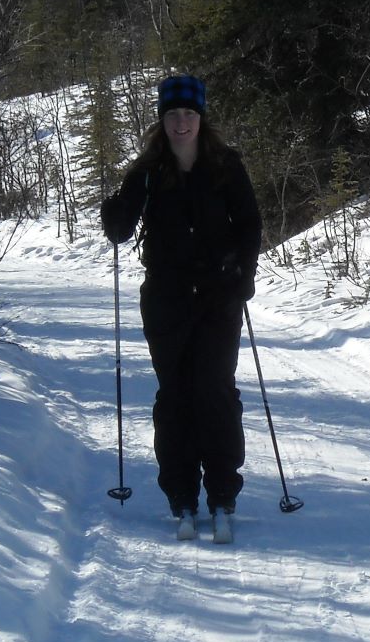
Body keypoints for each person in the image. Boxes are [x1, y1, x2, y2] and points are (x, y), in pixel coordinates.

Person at [100, 74, 262, 542]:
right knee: (175, 394)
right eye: (173, 115)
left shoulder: (225, 166)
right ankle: (181, 494)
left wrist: (241, 273)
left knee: (214, 390)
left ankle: (223, 493)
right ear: (162, 120)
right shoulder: (149, 171)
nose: (181, 123)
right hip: (167, 299)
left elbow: (249, 223)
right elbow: (121, 228)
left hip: (218, 297)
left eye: (189, 114)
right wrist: (115, 209)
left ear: (201, 118)